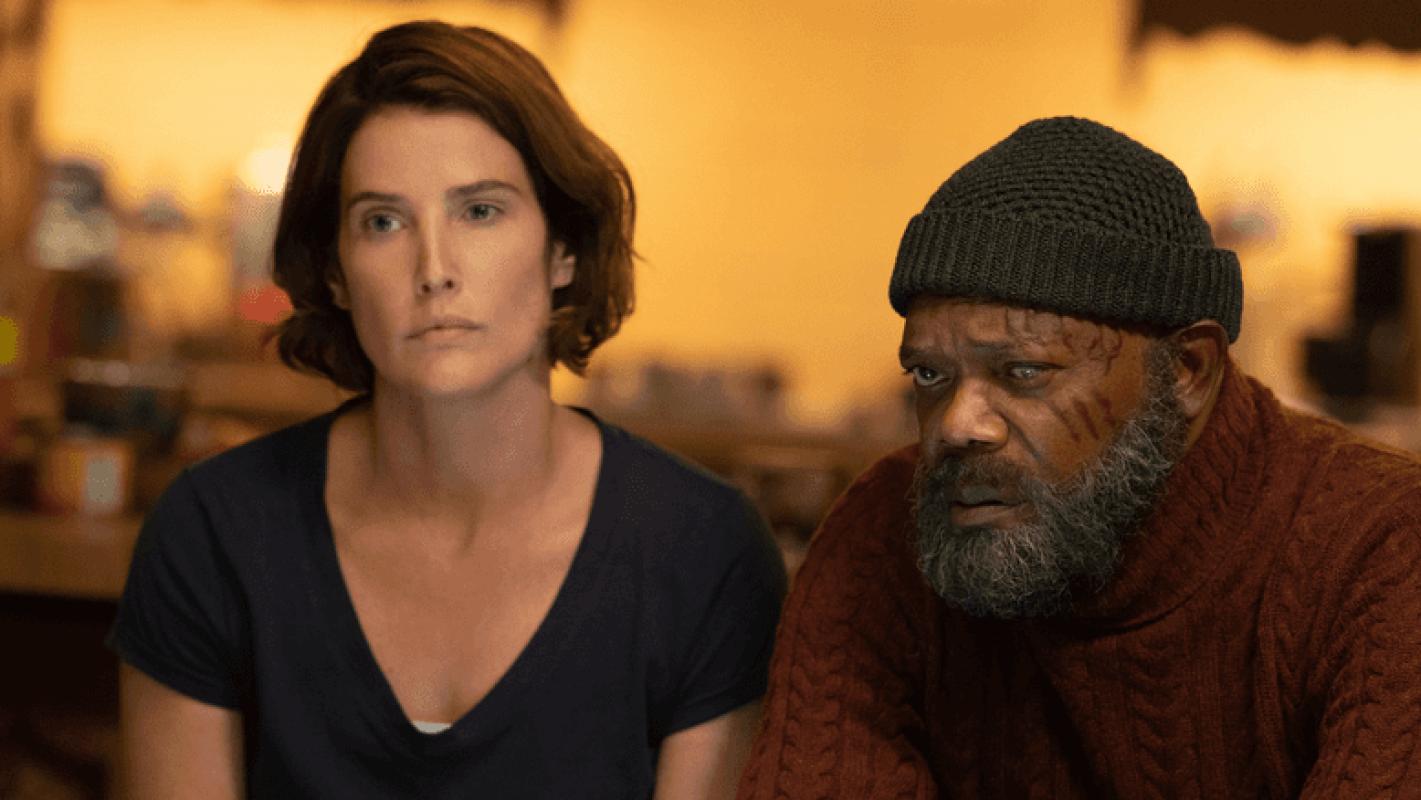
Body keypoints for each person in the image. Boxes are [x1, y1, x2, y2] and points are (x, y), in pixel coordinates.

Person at [110, 20, 785, 798]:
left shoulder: (702, 553)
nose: (434, 269)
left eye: (480, 211)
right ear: (335, 273)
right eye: (383, 222)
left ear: (563, 248)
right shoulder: (215, 533)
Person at [738, 116, 1421, 798]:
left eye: (1023, 372)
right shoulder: (885, 533)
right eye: (929, 375)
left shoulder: (1380, 547)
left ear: (1187, 370)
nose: (956, 425)